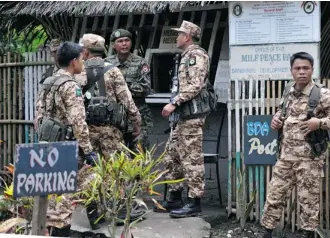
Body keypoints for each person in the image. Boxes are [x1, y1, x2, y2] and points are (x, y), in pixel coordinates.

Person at [261, 52, 330, 238]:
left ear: (312, 70)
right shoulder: (288, 90)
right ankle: (266, 232)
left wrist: (320, 123)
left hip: (310, 160)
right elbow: (281, 112)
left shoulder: (321, 94)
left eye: (305, 68)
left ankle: (308, 235)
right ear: (291, 71)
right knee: (274, 196)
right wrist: (276, 119)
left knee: (309, 202)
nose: (301, 72)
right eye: (297, 68)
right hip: (286, 157)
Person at [78, 33, 143, 226]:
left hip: (87, 132)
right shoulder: (113, 71)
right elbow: (127, 100)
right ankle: (121, 212)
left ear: (86, 52)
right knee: (117, 170)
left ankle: (93, 214)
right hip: (111, 132)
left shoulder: (78, 71)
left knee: (88, 172)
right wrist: (136, 121)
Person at [34, 41, 99, 235]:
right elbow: (78, 121)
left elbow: (38, 116)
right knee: (64, 196)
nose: (83, 63)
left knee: (52, 193)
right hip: (67, 148)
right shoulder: (71, 86)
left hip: (48, 144)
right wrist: (88, 151)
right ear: (73, 62)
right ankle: (61, 231)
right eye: (81, 59)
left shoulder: (49, 82)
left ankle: (52, 228)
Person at [153, 21, 210, 218]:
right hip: (182, 117)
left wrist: (174, 103)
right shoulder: (185, 56)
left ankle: (194, 202)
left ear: (187, 37)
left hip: (191, 116)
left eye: (179, 34)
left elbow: (195, 85)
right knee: (172, 156)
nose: (176, 38)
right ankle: (175, 197)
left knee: (192, 159)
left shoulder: (196, 55)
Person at [105, 29, 153, 152]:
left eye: (127, 40)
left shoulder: (140, 62)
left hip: (138, 115)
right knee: (116, 154)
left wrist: (120, 89)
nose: (124, 44)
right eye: (120, 41)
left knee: (140, 154)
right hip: (115, 117)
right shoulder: (106, 64)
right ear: (113, 45)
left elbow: (145, 88)